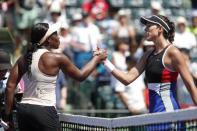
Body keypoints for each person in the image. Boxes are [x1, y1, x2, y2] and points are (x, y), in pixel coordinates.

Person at [4, 23, 106, 131]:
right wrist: (96, 59)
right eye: (56, 35)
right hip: (44, 111)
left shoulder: (23, 58)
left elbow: (10, 87)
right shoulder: (57, 58)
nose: (59, 37)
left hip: (24, 112)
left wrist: (8, 117)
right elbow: (80, 76)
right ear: (48, 40)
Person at [101, 15, 197, 114]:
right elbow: (127, 79)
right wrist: (105, 61)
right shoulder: (147, 54)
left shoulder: (173, 53)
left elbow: (190, 85)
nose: (145, 29)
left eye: (149, 26)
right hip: (153, 116)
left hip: (170, 115)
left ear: (160, 29)